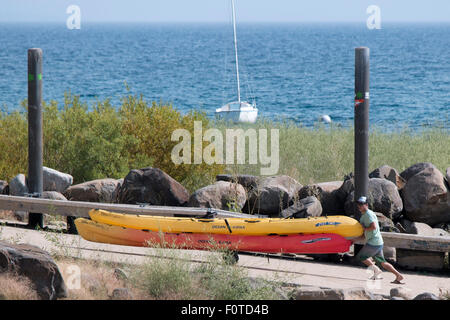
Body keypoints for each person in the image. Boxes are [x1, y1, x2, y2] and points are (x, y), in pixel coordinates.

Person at [354, 196, 405, 284]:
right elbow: (366, 232)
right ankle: (398, 275)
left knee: (361, 257)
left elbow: (373, 227)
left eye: (361, 204)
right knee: (383, 263)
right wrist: (355, 239)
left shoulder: (368, 214)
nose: (359, 206)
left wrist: (364, 228)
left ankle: (376, 270)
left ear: (366, 205)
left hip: (374, 242)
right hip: (378, 241)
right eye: (358, 204)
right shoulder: (367, 214)